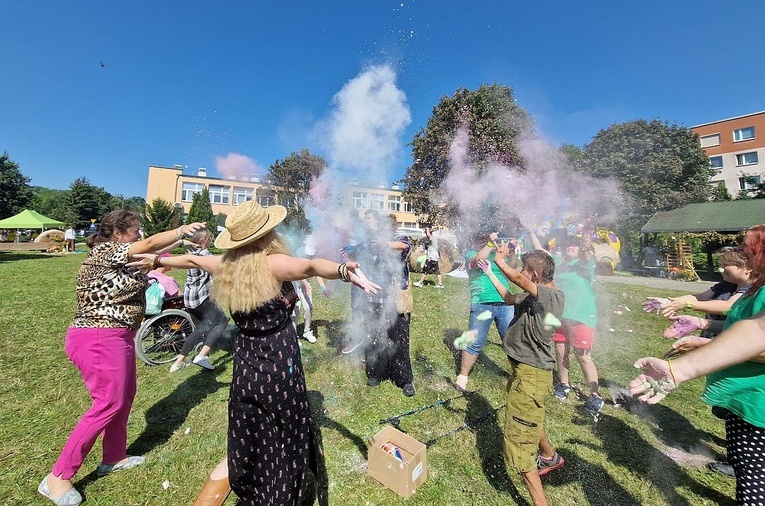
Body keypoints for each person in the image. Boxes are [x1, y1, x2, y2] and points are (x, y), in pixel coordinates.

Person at [139, 200, 379, 505]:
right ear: (267, 235)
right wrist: (345, 270)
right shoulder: (272, 263)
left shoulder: (226, 265)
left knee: (250, 423)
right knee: (283, 430)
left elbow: (194, 261)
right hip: (277, 358)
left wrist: (159, 262)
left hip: (246, 358)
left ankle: (245, 476)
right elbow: (312, 265)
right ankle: (279, 490)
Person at [38, 211, 204, 506]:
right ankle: (58, 478)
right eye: (135, 230)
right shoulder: (105, 251)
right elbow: (153, 243)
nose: (140, 235)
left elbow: (154, 251)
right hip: (98, 336)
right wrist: (182, 231)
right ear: (117, 233)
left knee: (124, 397)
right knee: (106, 403)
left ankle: (113, 457)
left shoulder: (123, 258)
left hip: (118, 337)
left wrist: (180, 248)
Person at [632, 225, 765, 506]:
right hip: (745, 399)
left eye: (747, 248)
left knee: (754, 485)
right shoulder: (759, 287)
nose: (740, 253)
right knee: (746, 472)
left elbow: (759, 340)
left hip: (758, 400)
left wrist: (700, 344)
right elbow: (751, 329)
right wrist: (700, 327)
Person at [481, 239, 566, 506]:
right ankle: (551, 457)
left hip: (531, 375)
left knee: (519, 443)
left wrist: (499, 259)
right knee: (531, 417)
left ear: (535, 275)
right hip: (524, 372)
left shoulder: (551, 296)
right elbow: (508, 297)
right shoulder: (534, 296)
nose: (522, 273)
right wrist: (490, 272)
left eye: (526, 270)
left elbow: (516, 278)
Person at [534, 231, 604, 415]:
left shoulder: (584, 264)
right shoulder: (559, 262)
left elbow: (588, 250)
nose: (570, 247)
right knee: (560, 351)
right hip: (561, 315)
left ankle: (595, 394)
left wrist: (587, 230)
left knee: (583, 356)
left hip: (582, 317)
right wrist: (530, 230)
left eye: (575, 245)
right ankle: (564, 384)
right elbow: (541, 251)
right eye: (568, 245)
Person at [351, 210, 415, 396]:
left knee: (399, 338)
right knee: (373, 335)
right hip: (374, 298)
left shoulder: (400, 238)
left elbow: (404, 247)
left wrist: (385, 244)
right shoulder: (371, 242)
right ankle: (375, 373)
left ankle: (404, 379)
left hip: (395, 300)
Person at [455, 231, 517, 391]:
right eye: (484, 240)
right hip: (482, 302)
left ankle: (519, 374)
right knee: (475, 342)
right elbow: (478, 260)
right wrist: (490, 244)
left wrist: (512, 251)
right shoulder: (470, 254)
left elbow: (513, 268)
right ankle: (463, 376)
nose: (489, 242)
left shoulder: (497, 255)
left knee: (510, 341)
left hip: (505, 301)